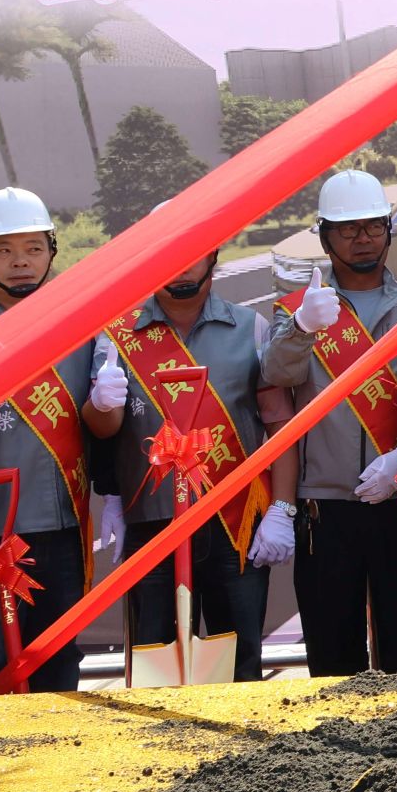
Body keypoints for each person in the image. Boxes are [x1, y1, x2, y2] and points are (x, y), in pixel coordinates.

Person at [0, 187, 124, 694]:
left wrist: (105, 407)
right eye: (4, 250)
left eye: (34, 249)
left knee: (59, 667)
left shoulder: (81, 326)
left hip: (57, 525)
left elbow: (100, 430)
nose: (20, 263)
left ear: (52, 252)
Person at [97, 216, 283, 683]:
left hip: (234, 523)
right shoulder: (117, 336)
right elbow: (101, 430)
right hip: (152, 525)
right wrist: (101, 405)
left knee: (238, 664)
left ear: (214, 257)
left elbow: (280, 426)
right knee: (155, 664)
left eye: (191, 255)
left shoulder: (252, 328)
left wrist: (284, 508)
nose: (179, 270)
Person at [262, 169, 397, 677]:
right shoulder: (299, 310)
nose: (362, 239)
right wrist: (301, 328)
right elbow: (274, 373)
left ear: (388, 230)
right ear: (324, 235)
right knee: (332, 659)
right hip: (325, 508)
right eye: (346, 229)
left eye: (373, 227)